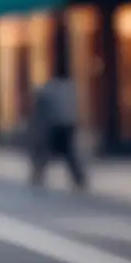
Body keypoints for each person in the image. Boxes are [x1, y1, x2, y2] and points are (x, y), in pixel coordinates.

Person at [31, 50, 86, 191]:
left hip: (56, 124)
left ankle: (38, 174)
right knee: (68, 153)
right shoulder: (71, 87)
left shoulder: (52, 87)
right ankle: (79, 178)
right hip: (69, 124)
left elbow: (41, 100)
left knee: (48, 151)